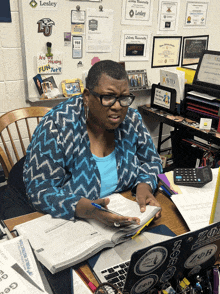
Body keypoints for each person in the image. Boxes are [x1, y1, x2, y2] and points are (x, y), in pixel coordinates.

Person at [23, 60, 163, 227]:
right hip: (73, 222)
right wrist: (85, 209)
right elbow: (39, 190)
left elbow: (152, 161)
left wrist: (145, 186)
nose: (117, 106)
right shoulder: (56, 125)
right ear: (87, 97)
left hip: (127, 214)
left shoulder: (131, 120)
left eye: (124, 98)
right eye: (108, 97)